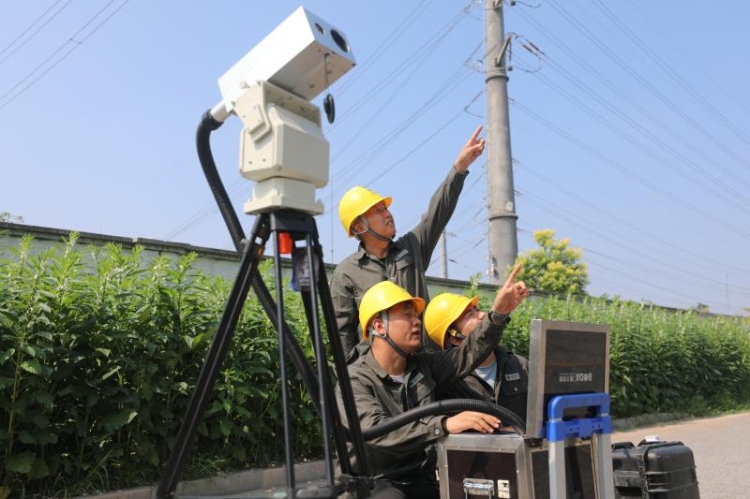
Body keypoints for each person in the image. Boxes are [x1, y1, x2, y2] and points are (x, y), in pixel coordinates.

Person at [336, 264, 529, 499]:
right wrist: (444, 424)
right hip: (371, 484)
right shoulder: (354, 380)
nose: (417, 321)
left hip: (422, 481)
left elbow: (467, 353)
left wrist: (498, 315)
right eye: (406, 315)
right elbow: (376, 431)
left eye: (416, 316)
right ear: (379, 326)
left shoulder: (425, 366)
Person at [330, 126, 486, 363]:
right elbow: (342, 336)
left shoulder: (411, 247)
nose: (388, 213)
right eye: (378, 210)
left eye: (386, 207)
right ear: (359, 227)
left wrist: (459, 169)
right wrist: (355, 377)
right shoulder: (346, 274)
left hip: (422, 366)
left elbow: (437, 214)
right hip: (377, 374)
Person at [424, 292, 529, 424]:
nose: (482, 315)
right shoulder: (446, 381)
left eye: (477, 309)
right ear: (455, 338)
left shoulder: (520, 365)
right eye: (469, 315)